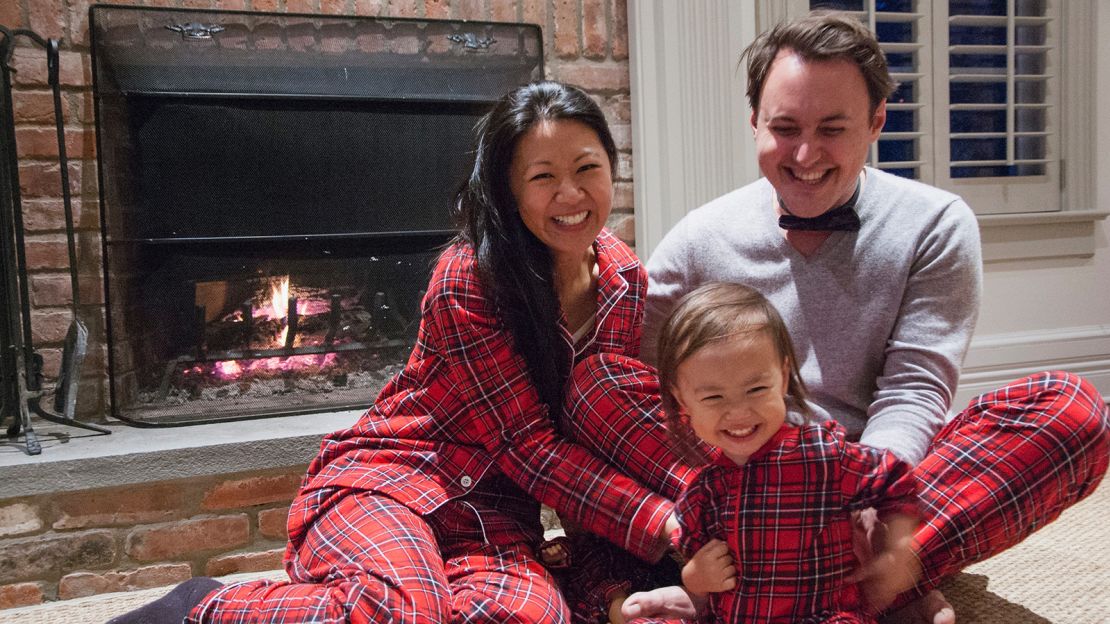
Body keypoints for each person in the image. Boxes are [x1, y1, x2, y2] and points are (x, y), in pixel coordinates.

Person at [106, 81, 693, 624]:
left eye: (587, 167)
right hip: (395, 481)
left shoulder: (624, 282)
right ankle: (205, 606)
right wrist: (665, 523)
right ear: (509, 191)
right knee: (399, 610)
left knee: (529, 616)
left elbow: (594, 437)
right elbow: (528, 446)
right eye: (543, 177)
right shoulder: (471, 279)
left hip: (493, 520)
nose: (571, 193)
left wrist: (609, 588)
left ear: (612, 169)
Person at [631, 10, 1110, 623]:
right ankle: (876, 589)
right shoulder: (698, 239)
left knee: (1071, 413)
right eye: (784, 128)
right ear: (753, 121)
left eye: (833, 128)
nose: (806, 154)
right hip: (745, 498)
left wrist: (871, 509)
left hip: (866, 484)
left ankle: (819, 585)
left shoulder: (936, 223)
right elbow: (643, 391)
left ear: (876, 121)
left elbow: (915, 389)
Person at [621, 282, 922, 623]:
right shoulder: (703, 493)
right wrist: (695, 578)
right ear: (681, 400)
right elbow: (700, 579)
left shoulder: (821, 455)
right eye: (713, 397)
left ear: (782, 377)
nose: (738, 412)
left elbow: (894, 476)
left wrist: (897, 545)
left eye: (756, 389)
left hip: (825, 615)